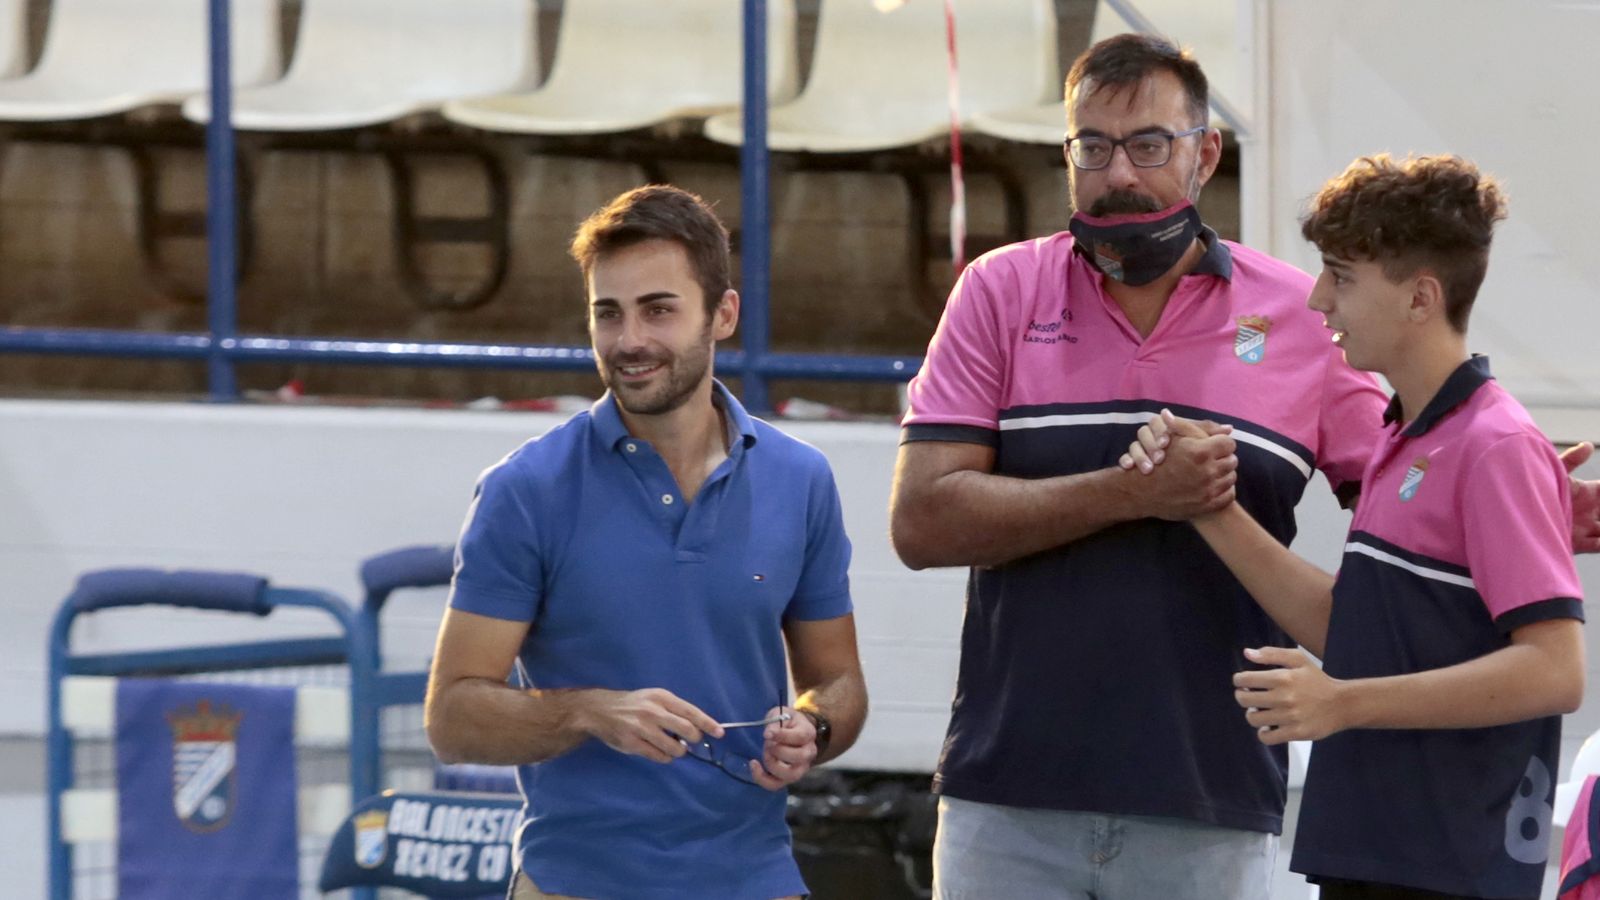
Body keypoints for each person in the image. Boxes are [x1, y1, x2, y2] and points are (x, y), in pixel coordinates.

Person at [887, 34, 1600, 899]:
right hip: (1009, 796)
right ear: (1067, 153)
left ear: (1205, 154)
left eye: (1150, 144)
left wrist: (1513, 498)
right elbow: (921, 524)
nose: (1120, 174)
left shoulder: (1300, 322)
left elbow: (1418, 501)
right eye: (1094, 148)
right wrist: (1127, 492)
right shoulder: (999, 290)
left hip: (1212, 800)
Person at [1127, 153, 1585, 898]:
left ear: (1420, 298)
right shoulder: (1404, 437)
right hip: (1375, 854)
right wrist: (1205, 502)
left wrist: (1343, 702)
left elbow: (1555, 671)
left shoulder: (1493, 443)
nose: (1316, 301)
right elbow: (1351, 627)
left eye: (1341, 276)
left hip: (1447, 866)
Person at [425, 184, 868, 900]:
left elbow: (840, 683)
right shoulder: (525, 489)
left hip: (756, 877)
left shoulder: (802, 479)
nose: (629, 341)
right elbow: (452, 718)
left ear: (722, 315)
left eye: (658, 310)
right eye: (609, 313)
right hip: (576, 882)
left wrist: (812, 729)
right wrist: (589, 712)